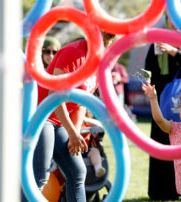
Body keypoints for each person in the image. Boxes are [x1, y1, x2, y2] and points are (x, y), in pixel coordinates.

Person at [25, 32, 115, 202]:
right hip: (41, 116)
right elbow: (55, 96)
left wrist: (76, 133)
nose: (103, 43)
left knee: (77, 172)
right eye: (101, 36)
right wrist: (72, 133)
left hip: (59, 121)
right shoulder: (73, 52)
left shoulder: (97, 62)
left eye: (108, 39)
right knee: (39, 176)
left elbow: (81, 101)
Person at [144, 8, 181, 200]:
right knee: (161, 143)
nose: (174, 23)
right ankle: (160, 190)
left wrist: (174, 52)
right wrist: (148, 82)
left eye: (178, 19)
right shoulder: (158, 38)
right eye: (171, 18)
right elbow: (149, 67)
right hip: (162, 101)